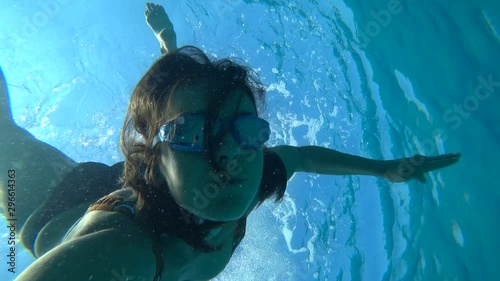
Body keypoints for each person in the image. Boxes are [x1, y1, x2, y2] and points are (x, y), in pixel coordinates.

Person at [0, 3, 461, 281]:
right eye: (193, 133)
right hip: (53, 207)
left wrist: (385, 169)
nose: (227, 154)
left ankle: (171, 53)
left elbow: (300, 155)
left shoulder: (248, 173)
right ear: (156, 158)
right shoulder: (129, 248)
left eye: (246, 132)